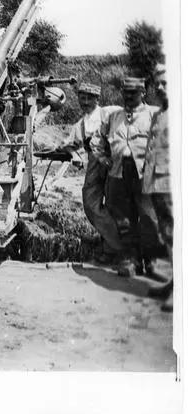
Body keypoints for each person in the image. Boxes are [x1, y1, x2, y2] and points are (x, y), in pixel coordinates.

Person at [91, 77, 161, 278]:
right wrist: (103, 159)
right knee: (123, 220)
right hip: (118, 173)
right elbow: (97, 141)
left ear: (143, 93)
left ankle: (153, 261)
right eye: (126, 92)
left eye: (134, 92)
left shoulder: (155, 114)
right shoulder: (113, 117)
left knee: (149, 218)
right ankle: (131, 260)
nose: (129, 96)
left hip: (146, 174)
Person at [57, 82, 123, 263]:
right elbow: (69, 144)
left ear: (97, 99)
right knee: (90, 203)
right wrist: (72, 153)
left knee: (114, 204)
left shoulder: (111, 112)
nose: (85, 101)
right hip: (95, 163)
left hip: (117, 161)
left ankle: (111, 250)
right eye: (82, 97)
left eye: (89, 98)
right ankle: (119, 246)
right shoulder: (81, 124)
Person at [143, 64, 173, 311]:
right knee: (168, 235)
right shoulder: (158, 115)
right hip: (157, 183)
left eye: (166, 83)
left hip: (174, 185)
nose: (160, 88)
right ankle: (174, 284)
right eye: (158, 84)